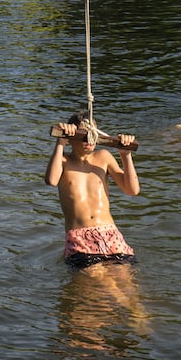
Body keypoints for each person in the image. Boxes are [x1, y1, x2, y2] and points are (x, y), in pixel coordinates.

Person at [45, 110, 140, 269]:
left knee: (126, 285)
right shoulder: (63, 160)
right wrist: (60, 143)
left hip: (109, 233)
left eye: (92, 133)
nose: (88, 139)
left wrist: (125, 155)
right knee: (98, 282)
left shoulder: (103, 157)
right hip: (80, 238)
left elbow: (132, 190)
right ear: (72, 137)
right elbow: (51, 180)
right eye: (83, 134)